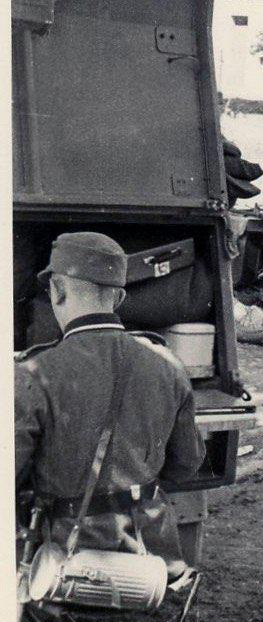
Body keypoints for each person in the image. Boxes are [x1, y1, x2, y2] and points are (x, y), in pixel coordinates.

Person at [15, 232, 207, 578]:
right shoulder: (169, 365)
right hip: (150, 559)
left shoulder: (34, 373)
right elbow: (186, 467)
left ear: (57, 291)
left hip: (62, 561)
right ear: (118, 298)